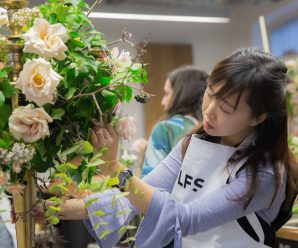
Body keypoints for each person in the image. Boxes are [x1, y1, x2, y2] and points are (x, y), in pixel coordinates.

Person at [45, 47, 298, 248]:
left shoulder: (265, 174)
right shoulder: (194, 143)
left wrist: (115, 167)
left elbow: (183, 219)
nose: (209, 111)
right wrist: (78, 209)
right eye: (210, 94)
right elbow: (146, 191)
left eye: (227, 108)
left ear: (258, 117)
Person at [142, 66, 208, 176]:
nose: (163, 102)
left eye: (167, 94)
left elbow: (150, 180)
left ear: (181, 94)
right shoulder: (209, 130)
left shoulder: (164, 129)